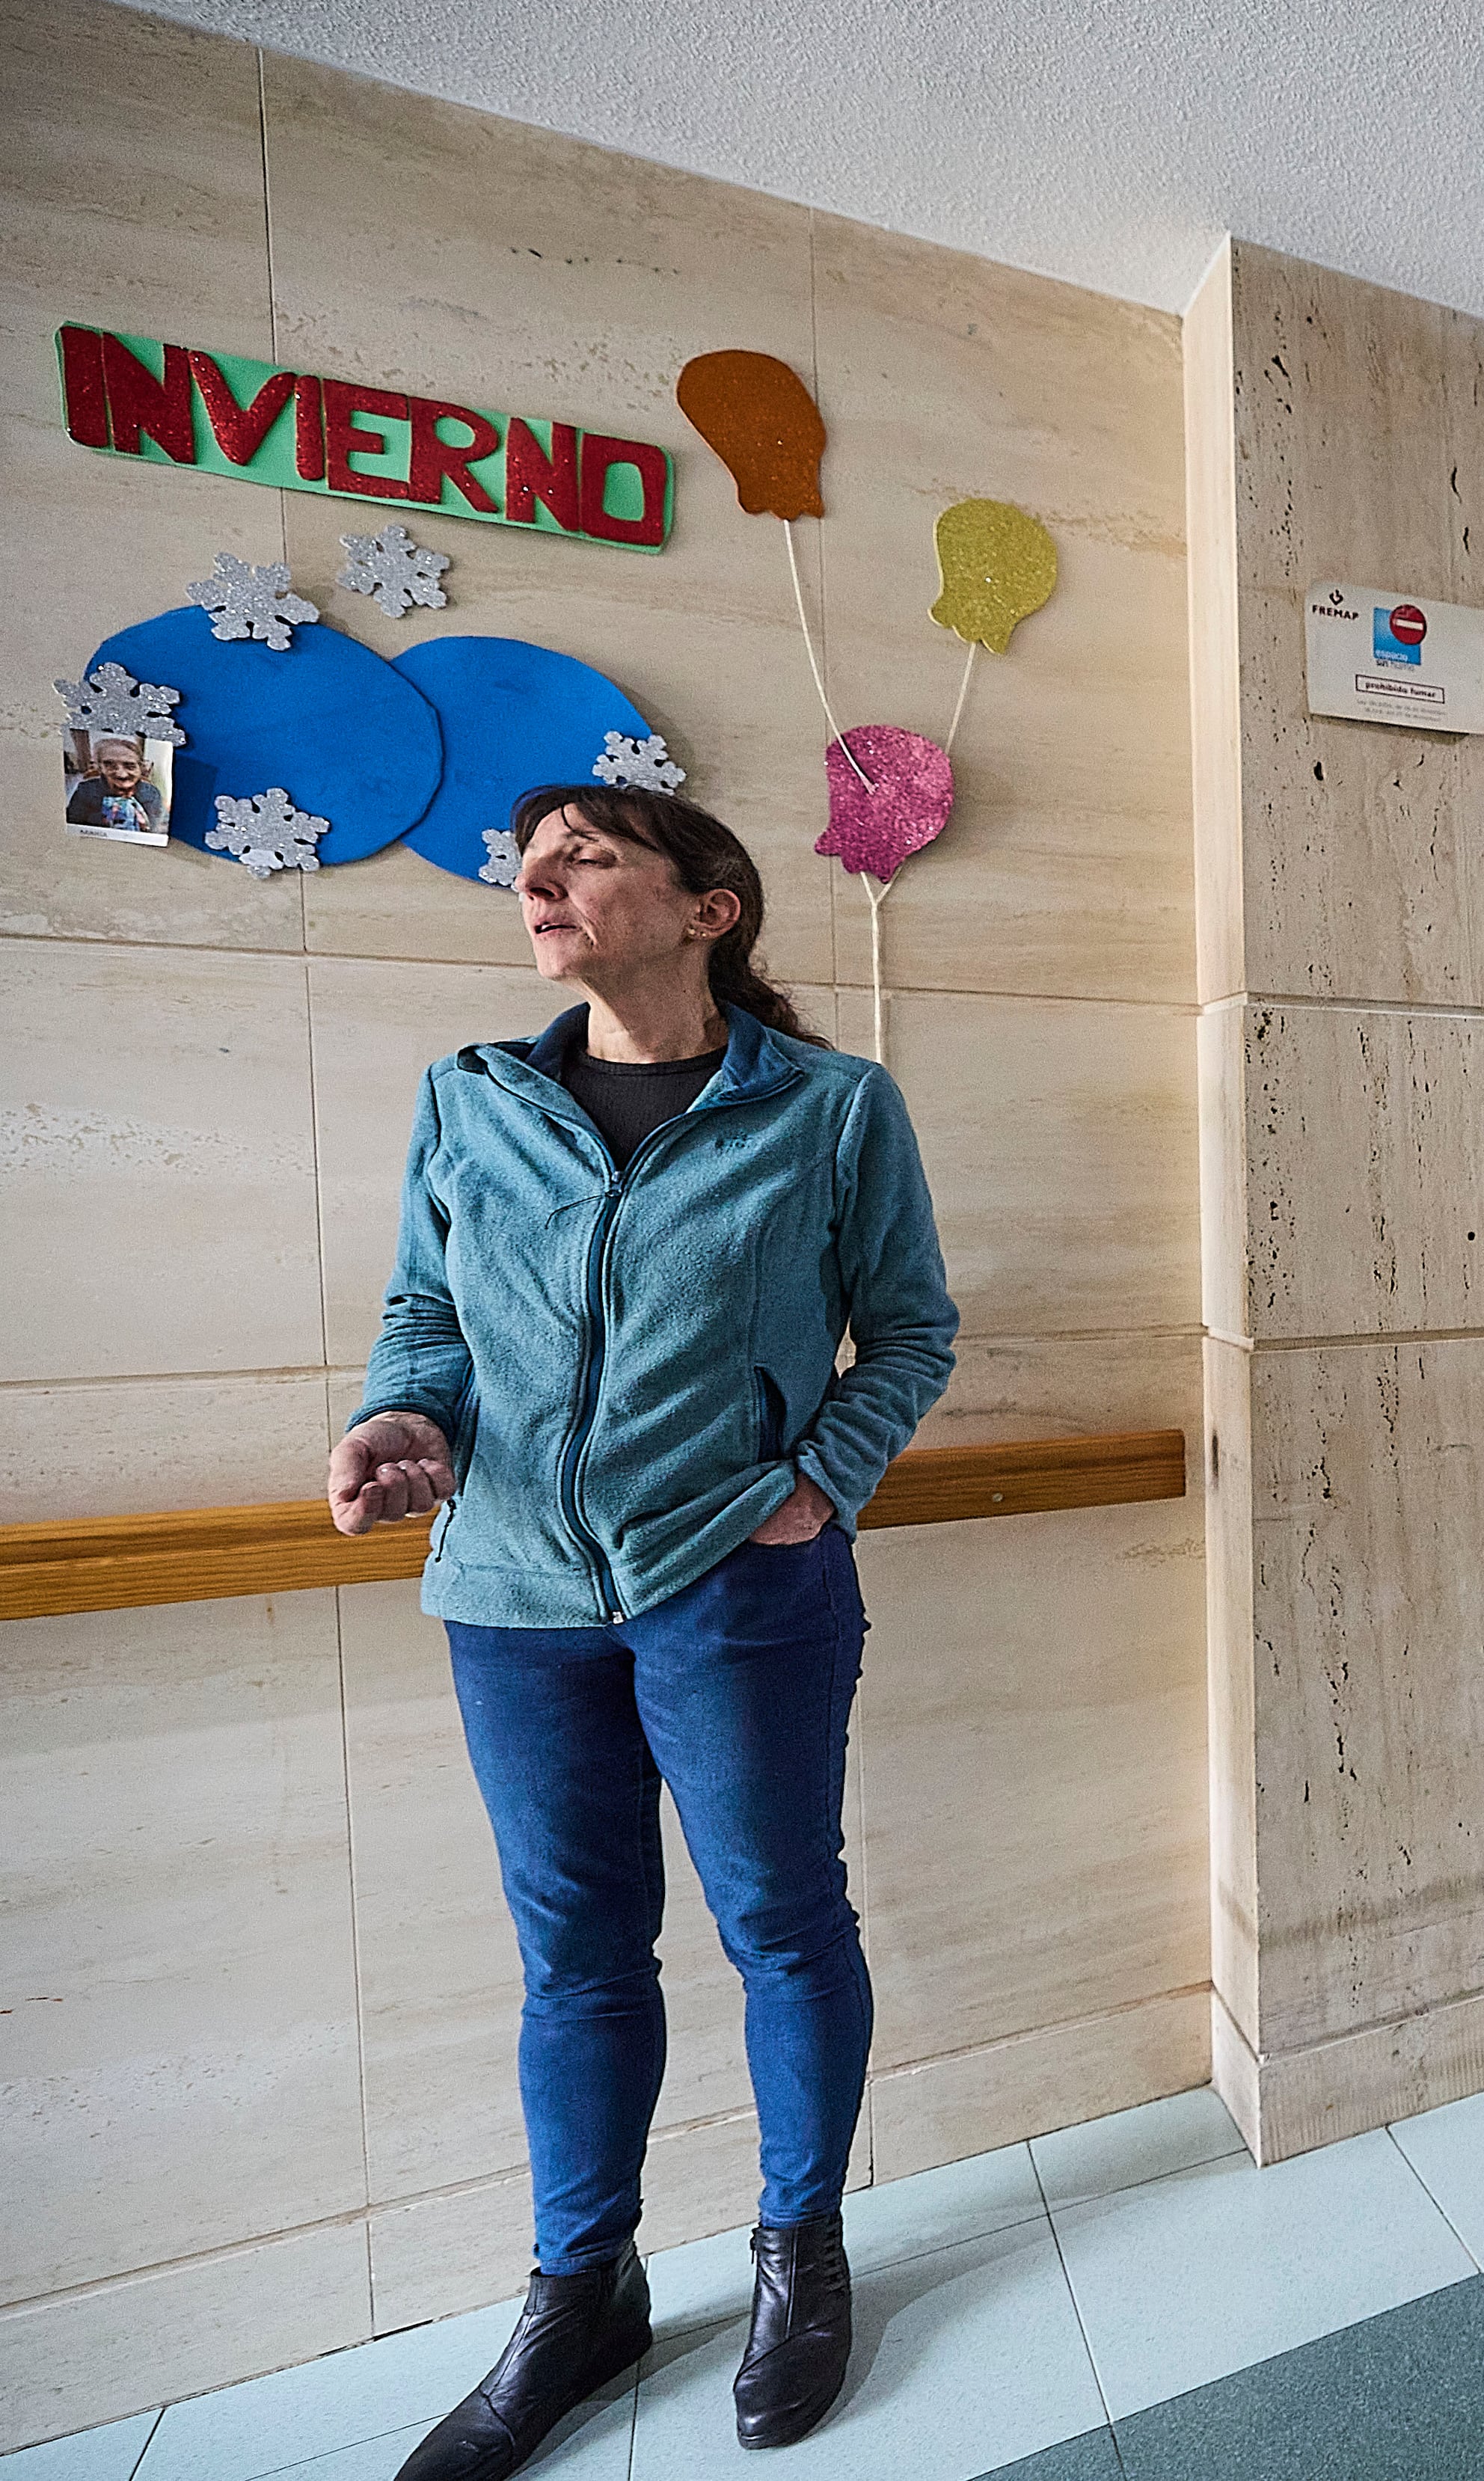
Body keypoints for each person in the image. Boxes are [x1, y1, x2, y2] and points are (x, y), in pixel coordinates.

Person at [334, 782, 956, 2480]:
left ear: (711, 907)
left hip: (740, 1586)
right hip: (512, 1594)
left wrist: (817, 1480)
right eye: (527, 860)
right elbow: (424, 1309)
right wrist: (408, 1418)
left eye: (587, 851)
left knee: (779, 1921)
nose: (540, 876)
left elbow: (908, 1331)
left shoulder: (831, 1111)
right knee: (578, 1958)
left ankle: (799, 2252)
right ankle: (579, 2290)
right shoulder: (472, 1102)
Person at [65, 732, 165, 838]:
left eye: (130, 766)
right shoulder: (86, 790)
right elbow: (73, 826)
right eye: (110, 766)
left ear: (141, 767)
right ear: (100, 767)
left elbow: (156, 830)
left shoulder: (150, 793)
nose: (121, 774)